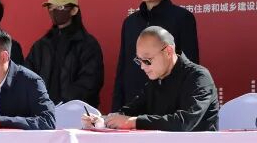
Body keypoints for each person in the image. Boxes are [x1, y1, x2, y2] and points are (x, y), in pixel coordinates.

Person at [86, 26, 218, 132]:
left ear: (168, 51)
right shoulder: (155, 80)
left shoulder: (199, 77)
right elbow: (130, 111)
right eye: (139, 60)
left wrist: (133, 122)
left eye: (147, 60)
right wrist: (103, 120)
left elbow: (183, 122)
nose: (142, 67)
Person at [111, 0, 200, 110]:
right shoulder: (130, 22)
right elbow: (123, 69)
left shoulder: (182, 18)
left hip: (168, 105)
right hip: (133, 103)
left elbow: (190, 67)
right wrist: (117, 109)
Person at [25, 0, 104, 107]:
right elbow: (27, 75)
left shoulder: (88, 44)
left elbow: (90, 82)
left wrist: (64, 104)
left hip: (76, 112)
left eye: (60, 7)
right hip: (43, 111)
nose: (53, 11)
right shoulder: (41, 45)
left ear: (74, 10)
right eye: (50, 7)